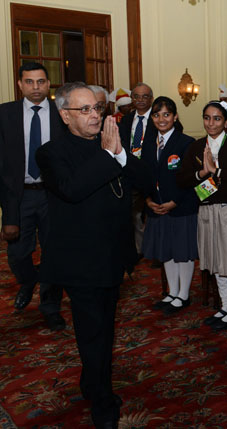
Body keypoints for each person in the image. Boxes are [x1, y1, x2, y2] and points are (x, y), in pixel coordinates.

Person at [36, 82, 151, 428]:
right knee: (93, 333)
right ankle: (102, 402)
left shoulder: (111, 145)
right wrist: (107, 154)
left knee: (106, 328)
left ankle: (91, 382)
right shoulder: (51, 153)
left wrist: (119, 154)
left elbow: (147, 181)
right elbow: (72, 190)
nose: (93, 115)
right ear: (65, 116)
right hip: (80, 261)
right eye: (84, 110)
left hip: (113, 257)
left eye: (96, 109)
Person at [0, 62, 66, 330]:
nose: (35, 87)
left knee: (54, 253)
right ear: (20, 84)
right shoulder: (5, 114)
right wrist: (8, 210)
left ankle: (50, 306)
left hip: (54, 196)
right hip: (20, 196)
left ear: (48, 83)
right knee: (16, 253)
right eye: (29, 82)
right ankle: (29, 281)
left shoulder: (63, 114)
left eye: (40, 81)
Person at [177, 100, 227, 331]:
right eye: (207, 118)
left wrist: (217, 171)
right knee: (218, 261)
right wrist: (203, 172)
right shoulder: (196, 146)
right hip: (207, 211)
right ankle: (225, 307)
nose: (211, 123)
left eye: (217, 118)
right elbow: (182, 179)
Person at [141, 96, 198, 315]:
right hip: (156, 207)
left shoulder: (185, 143)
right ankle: (172, 292)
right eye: (157, 115)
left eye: (166, 114)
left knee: (183, 252)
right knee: (166, 252)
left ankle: (183, 295)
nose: (161, 119)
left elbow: (191, 180)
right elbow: (145, 176)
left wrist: (173, 202)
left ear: (175, 117)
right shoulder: (148, 143)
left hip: (181, 207)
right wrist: (148, 200)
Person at [118, 82, 157, 268]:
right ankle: (136, 250)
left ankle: (158, 252)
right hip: (130, 175)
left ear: (151, 99)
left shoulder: (160, 119)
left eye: (145, 96)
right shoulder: (125, 120)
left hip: (152, 174)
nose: (140, 100)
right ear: (132, 99)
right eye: (137, 96)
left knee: (156, 213)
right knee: (132, 215)